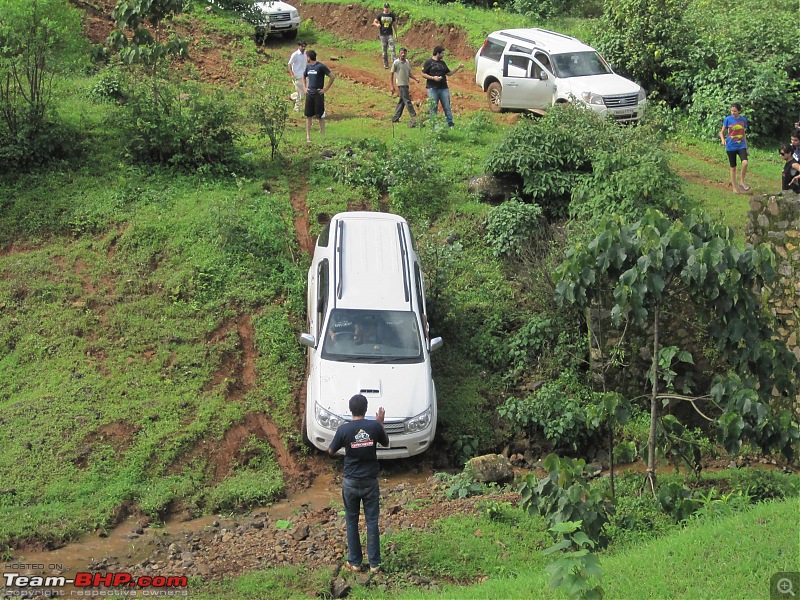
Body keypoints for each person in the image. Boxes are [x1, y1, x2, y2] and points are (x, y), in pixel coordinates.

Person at [328, 394, 389, 574]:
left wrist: (347, 446)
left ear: (350, 409)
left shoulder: (344, 430)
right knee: (371, 521)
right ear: (366, 408)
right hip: (370, 481)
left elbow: (331, 451)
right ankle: (375, 564)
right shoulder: (374, 426)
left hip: (350, 481)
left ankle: (354, 562)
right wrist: (380, 423)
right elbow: (385, 443)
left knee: (352, 521)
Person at [421, 45, 464, 127]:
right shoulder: (429, 62)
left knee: (447, 107)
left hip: (444, 88)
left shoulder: (442, 63)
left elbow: (449, 73)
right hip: (432, 88)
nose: (444, 55)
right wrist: (433, 78)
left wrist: (458, 68)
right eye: (442, 53)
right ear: (437, 53)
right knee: (433, 108)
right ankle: (434, 125)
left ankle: (450, 124)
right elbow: (422, 74)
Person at [303, 50, 336, 143]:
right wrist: (305, 88)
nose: (306, 59)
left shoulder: (320, 66)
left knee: (320, 115)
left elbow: (332, 76)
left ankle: (323, 135)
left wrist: (325, 89)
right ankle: (308, 136)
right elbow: (303, 76)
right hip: (310, 93)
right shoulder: (308, 67)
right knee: (308, 115)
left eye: (307, 57)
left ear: (309, 57)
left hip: (318, 94)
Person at [719, 102, 749, 193]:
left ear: (739, 111)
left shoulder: (743, 120)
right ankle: (734, 187)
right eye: (731, 111)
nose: (732, 112)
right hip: (730, 146)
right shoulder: (727, 119)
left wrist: (746, 147)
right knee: (733, 168)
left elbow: (743, 133)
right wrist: (723, 140)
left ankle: (742, 182)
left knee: (745, 163)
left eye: (735, 111)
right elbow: (721, 132)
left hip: (741, 145)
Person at [390, 47, 418, 126]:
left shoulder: (407, 63)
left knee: (402, 102)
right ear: (399, 53)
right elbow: (391, 74)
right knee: (407, 101)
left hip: (406, 84)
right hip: (401, 84)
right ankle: (414, 116)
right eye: (402, 53)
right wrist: (392, 85)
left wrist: (415, 79)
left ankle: (395, 118)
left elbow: (409, 73)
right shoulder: (396, 63)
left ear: (406, 54)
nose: (403, 54)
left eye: (404, 53)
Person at [373, 3, 397, 69]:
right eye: (385, 7)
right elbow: (374, 22)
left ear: (389, 8)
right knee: (384, 50)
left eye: (388, 7)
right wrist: (377, 24)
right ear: (384, 8)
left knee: (393, 49)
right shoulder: (380, 15)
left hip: (390, 34)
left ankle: (394, 64)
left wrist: (396, 34)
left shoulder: (392, 15)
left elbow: (394, 25)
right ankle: (386, 64)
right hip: (382, 35)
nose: (386, 9)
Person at [287, 40, 308, 112]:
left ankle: (292, 96)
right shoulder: (295, 54)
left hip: (304, 76)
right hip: (297, 76)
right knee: (300, 93)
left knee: (306, 91)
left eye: (305, 47)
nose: (304, 48)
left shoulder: (305, 54)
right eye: (302, 46)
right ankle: (296, 109)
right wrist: (292, 74)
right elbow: (289, 64)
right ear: (299, 46)